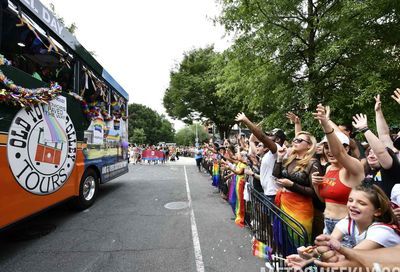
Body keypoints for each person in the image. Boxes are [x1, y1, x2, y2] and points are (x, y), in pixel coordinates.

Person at [312, 104, 364, 239]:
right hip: (327, 223)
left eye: (331, 147)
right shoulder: (329, 168)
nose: (329, 151)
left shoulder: (353, 168)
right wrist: (316, 185)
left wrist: (326, 125)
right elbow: (323, 199)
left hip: (347, 226)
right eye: (325, 147)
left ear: (346, 149)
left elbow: (339, 152)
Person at [273, 131, 320, 242]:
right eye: (294, 140)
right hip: (284, 203)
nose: (295, 142)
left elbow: (314, 193)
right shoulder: (290, 159)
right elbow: (276, 175)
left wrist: (292, 185)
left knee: (299, 239)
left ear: (309, 145)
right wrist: (279, 158)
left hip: (301, 208)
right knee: (283, 237)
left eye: (299, 140)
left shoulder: (313, 164)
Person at [235, 112, 283, 203]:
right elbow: (252, 140)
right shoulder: (267, 153)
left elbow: (262, 137)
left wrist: (246, 120)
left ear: (277, 140)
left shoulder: (277, 149)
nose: (268, 137)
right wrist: (259, 124)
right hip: (267, 192)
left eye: (271, 136)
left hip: (273, 194)